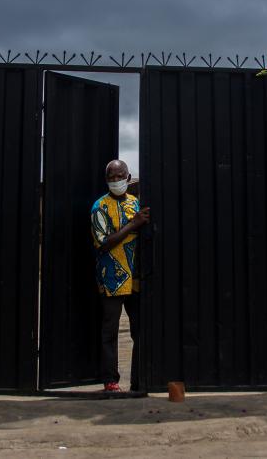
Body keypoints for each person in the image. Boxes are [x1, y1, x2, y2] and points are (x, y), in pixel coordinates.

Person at [90, 159, 150, 392]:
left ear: (128, 176)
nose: (115, 181)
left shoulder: (136, 204)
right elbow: (102, 244)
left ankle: (139, 380)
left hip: (135, 279)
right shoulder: (99, 207)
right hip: (112, 279)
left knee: (140, 331)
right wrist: (132, 225)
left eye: (119, 176)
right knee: (110, 331)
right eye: (111, 177)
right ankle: (110, 380)